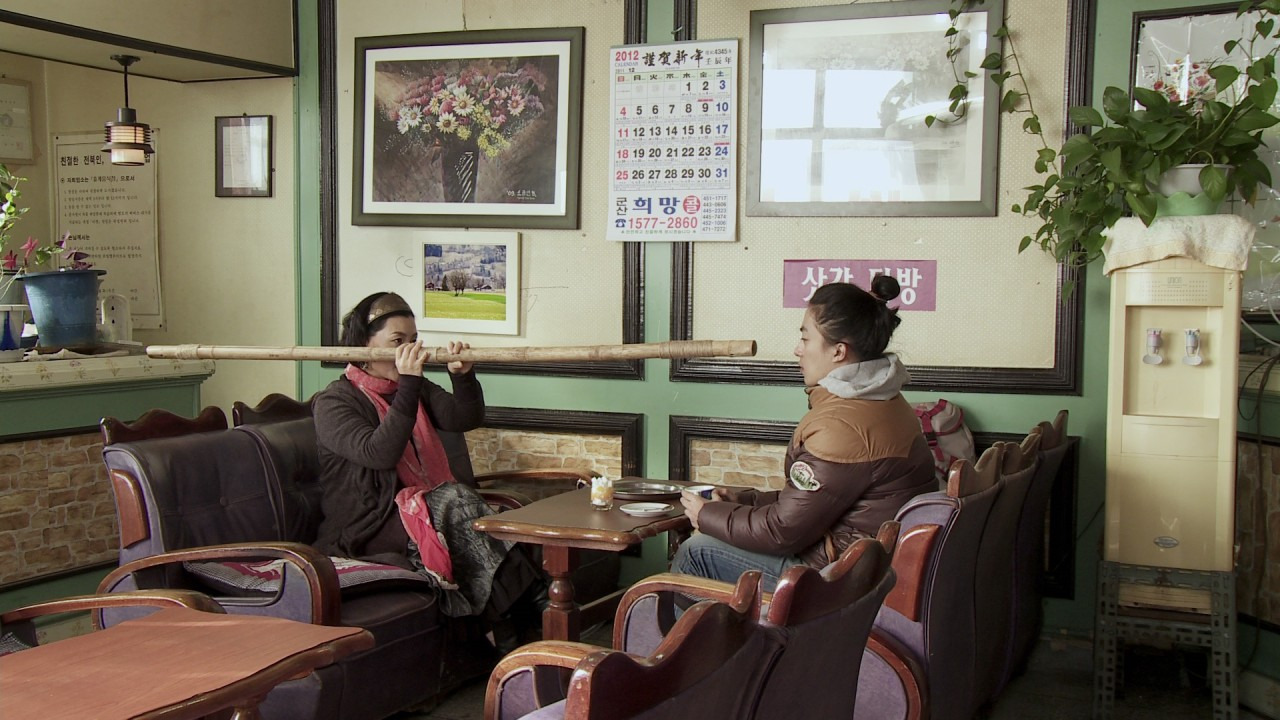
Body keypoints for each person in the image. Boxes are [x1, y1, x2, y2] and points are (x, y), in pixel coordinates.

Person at [673, 276, 935, 590]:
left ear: (838, 351)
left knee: (696, 552)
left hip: (838, 579)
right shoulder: (885, 401)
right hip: (866, 564)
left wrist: (706, 515)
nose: (797, 350)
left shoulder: (842, 426)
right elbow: (812, 503)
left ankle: (678, 625)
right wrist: (743, 500)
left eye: (806, 338)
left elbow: (782, 531)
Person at [313, 291, 543, 643]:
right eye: (398, 341)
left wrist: (462, 376)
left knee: (464, 514)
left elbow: (463, 417)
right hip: (369, 524)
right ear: (364, 344)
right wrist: (409, 384)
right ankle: (533, 611)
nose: (410, 349)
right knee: (454, 501)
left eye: (414, 340)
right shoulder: (333, 402)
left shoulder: (412, 387)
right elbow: (379, 453)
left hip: (426, 508)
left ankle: (517, 629)